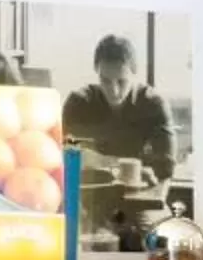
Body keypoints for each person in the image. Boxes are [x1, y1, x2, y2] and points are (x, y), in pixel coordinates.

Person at [60, 34, 180, 183]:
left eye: (121, 81)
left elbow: (167, 167)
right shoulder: (78, 104)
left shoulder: (153, 105)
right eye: (105, 81)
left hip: (142, 195)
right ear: (96, 72)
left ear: (135, 73)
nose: (114, 91)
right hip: (92, 195)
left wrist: (101, 161)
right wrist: (133, 168)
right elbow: (68, 157)